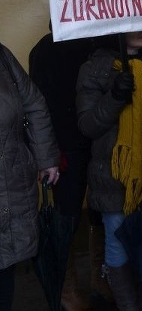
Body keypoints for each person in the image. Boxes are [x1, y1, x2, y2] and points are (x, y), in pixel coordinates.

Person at [76, 32, 142, 310]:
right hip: (114, 176)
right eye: (133, 24)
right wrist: (115, 96)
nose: (141, 29)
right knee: (118, 245)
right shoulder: (95, 69)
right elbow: (88, 125)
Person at [28, 29, 97, 310]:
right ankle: (66, 286)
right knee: (66, 216)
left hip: (100, 139)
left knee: (102, 211)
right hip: (67, 144)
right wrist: (50, 153)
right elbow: (38, 107)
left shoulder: (101, 41)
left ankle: (98, 275)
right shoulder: (45, 49)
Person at [0, 42, 60, 311]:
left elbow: (33, 102)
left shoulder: (1, 55)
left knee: (5, 272)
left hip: (11, 185)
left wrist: (46, 157)